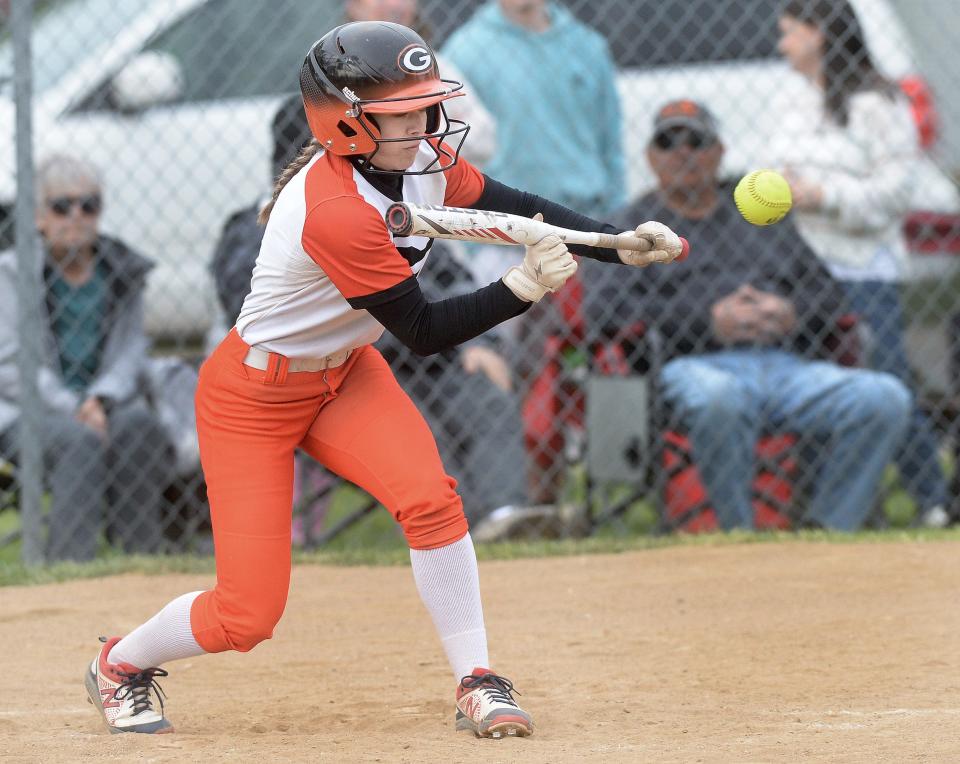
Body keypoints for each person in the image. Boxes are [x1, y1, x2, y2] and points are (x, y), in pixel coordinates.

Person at [84, 21, 683, 738]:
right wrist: (522, 287)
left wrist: (615, 244)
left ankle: (477, 679)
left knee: (432, 502)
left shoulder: (421, 158)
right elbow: (424, 333)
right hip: (253, 397)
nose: (424, 122)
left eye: (425, 104)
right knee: (247, 616)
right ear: (344, 122)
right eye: (400, 109)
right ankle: (120, 663)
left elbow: (511, 204)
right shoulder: (334, 210)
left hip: (344, 374)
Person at [582, 100, 912, 532]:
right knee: (721, 398)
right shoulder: (629, 227)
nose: (684, 152)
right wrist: (706, 319)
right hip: (688, 369)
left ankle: (827, 530)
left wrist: (789, 312)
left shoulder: (757, 214)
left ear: (719, 151)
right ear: (650, 157)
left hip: (786, 368)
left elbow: (829, 296)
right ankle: (738, 536)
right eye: (668, 142)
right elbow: (606, 311)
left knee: (884, 397)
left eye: (696, 141)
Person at [770, 0, 951, 528]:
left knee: (886, 380)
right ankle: (824, 504)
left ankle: (932, 500)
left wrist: (823, 194)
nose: (781, 46)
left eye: (789, 33)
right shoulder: (792, 97)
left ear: (820, 34)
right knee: (816, 384)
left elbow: (896, 191)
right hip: (804, 268)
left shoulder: (878, 103)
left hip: (862, 267)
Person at [0, 154, 173, 561]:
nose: (76, 215)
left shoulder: (122, 270)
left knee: (139, 427)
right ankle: (68, 570)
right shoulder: (11, 274)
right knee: (78, 442)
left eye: (89, 204)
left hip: (105, 402)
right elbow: (9, 365)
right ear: (39, 218)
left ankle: (139, 564)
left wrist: (100, 400)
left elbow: (133, 351)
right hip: (28, 409)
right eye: (62, 206)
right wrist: (75, 406)